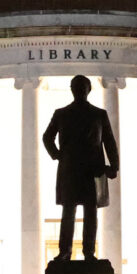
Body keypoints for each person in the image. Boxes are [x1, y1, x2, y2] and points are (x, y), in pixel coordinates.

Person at [41, 75, 119, 263]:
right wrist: (58, 155)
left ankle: (89, 253)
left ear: (88, 90)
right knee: (69, 212)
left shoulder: (99, 114)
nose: (79, 90)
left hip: (92, 170)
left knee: (90, 212)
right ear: (72, 89)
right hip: (72, 170)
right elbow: (47, 137)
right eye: (76, 87)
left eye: (82, 87)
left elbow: (109, 141)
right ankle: (65, 252)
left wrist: (114, 166)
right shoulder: (61, 113)